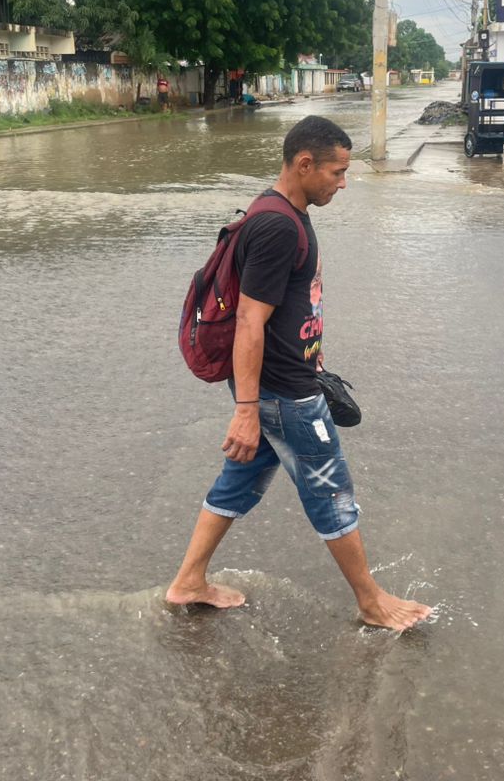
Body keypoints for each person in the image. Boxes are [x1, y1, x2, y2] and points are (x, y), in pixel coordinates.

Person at [166, 115, 433, 632]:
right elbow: (249, 320)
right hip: (282, 394)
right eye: (336, 171)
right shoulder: (276, 226)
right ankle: (371, 602)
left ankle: (189, 582)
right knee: (332, 490)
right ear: (304, 163)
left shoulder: (284, 212)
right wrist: (247, 410)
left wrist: (311, 355)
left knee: (239, 482)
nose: (343, 181)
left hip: (282, 382)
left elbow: (286, 309)